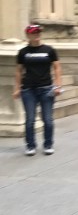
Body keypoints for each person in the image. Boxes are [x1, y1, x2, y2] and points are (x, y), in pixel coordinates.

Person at [13, 24, 63, 156]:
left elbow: (57, 68)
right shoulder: (23, 52)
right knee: (30, 120)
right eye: (33, 33)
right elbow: (19, 71)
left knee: (48, 119)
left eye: (38, 33)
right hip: (28, 89)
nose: (36, 35)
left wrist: (58, 86)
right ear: (28, 35)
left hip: (46, 88)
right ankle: (30, 145)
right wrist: (17, 88)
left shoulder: (49, 50)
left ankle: (48, 144)